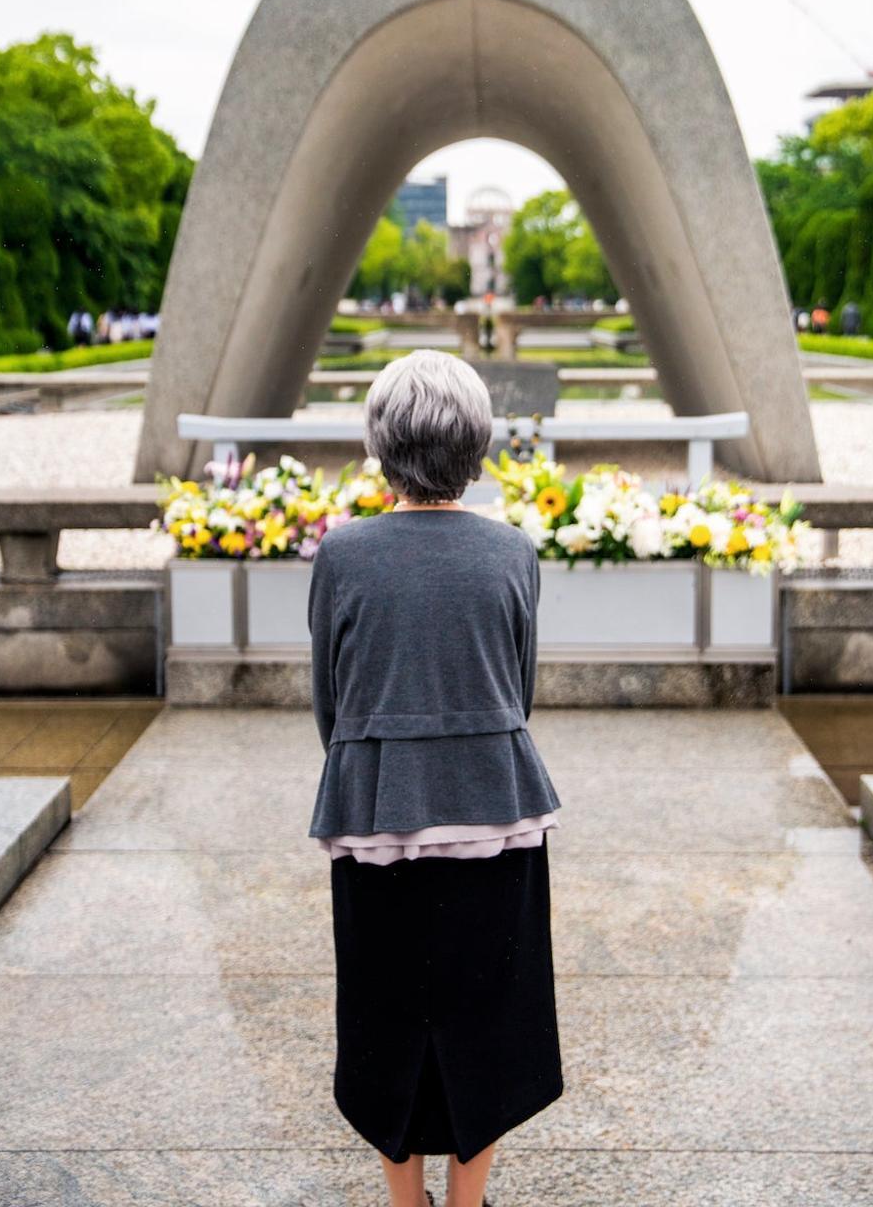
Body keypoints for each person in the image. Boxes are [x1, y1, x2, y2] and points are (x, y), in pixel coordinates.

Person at [307, 348, 564, 1207]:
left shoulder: (343, 555)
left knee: (382, 1013)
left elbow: (330, 701)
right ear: (478, 446)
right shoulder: (513, 552)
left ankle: (401, 1198)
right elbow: (516, 686)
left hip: (375, 808)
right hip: (495, 803)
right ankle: (468, 1200)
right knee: (492, 1012)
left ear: (382, 448)